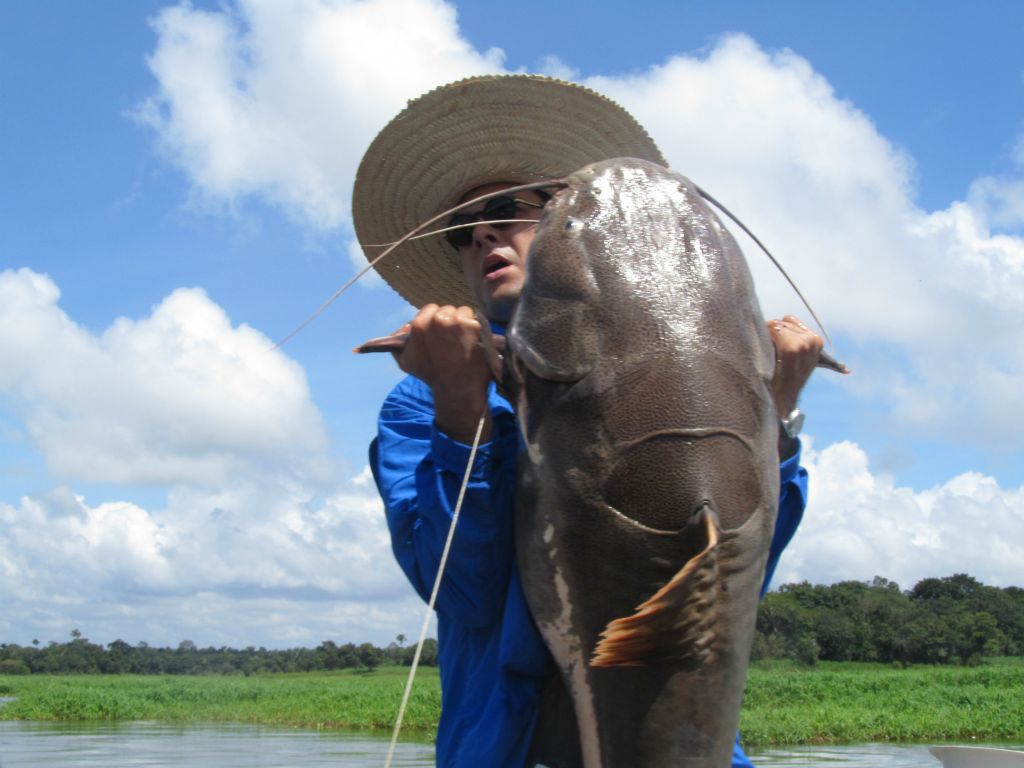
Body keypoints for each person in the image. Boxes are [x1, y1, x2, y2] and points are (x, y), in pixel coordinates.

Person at [354, 76, 824, 768]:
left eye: (510, 207)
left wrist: (773, 414)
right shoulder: (418, 403)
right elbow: (460, 593)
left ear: (562, 226)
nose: (483, 232)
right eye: (461, 230)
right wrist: (460, 406)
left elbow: (737, 581)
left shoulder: (712, 362)